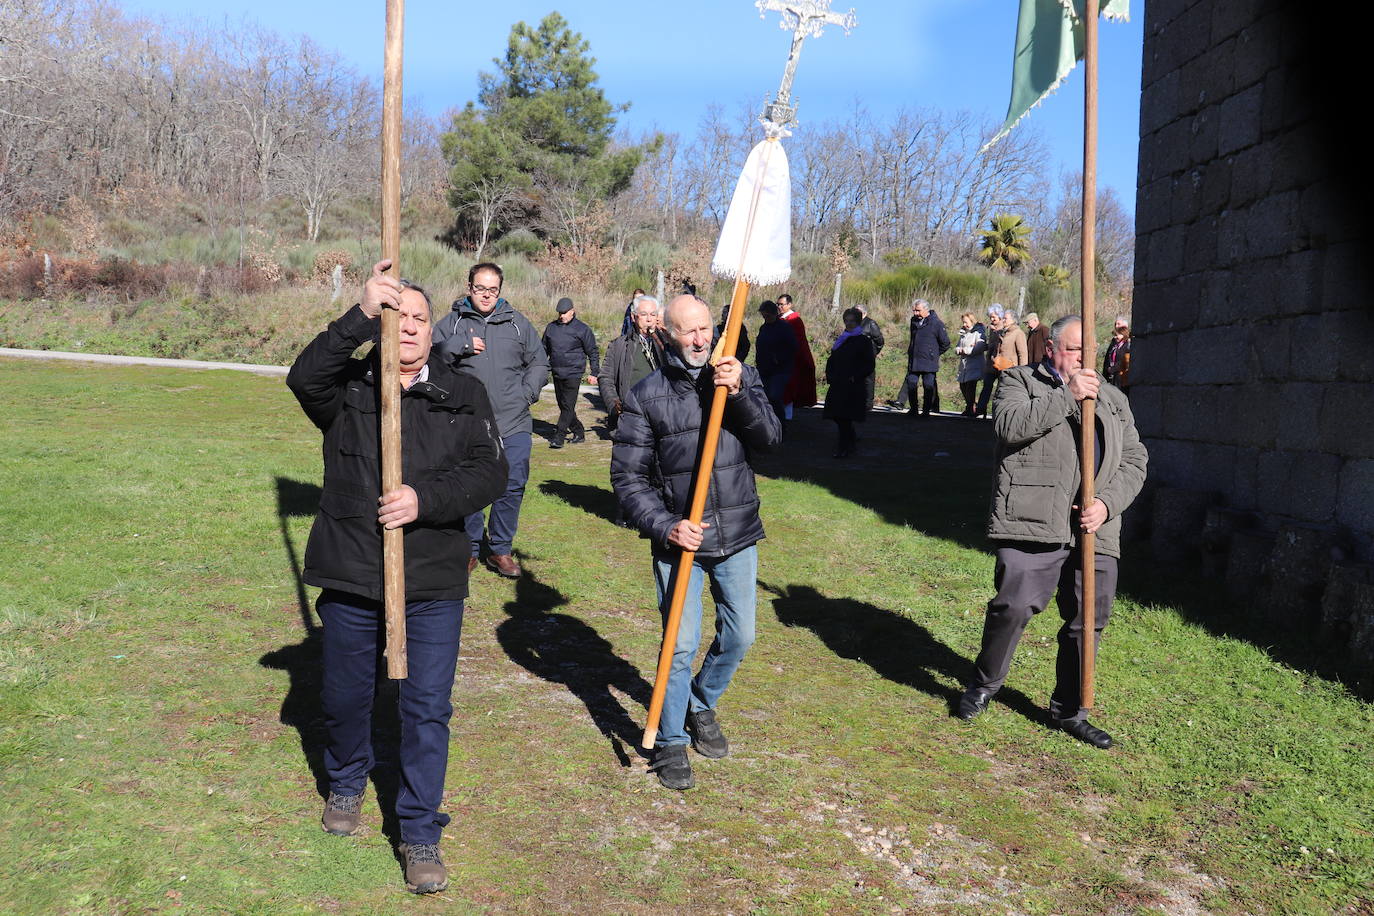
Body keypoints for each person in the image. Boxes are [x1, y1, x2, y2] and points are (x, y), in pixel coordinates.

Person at [286, 261, 507, 895]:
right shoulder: (350, 388)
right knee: (347, 694)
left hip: (432, 579)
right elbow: (303, 378)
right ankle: (349, 780)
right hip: (354, 571)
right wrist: (357, 314)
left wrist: (423, 500)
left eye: (417, 318)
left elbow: (489, 474)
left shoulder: (464, 394)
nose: (407, 326)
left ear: (431, 329)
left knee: (426, 706)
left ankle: (418, 829)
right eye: (395, 316)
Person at [610, 293, 783, 790]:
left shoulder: (738, 377)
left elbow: (771, 443)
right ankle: (669, 742)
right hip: (680, 544)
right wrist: (667, 526)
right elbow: (627, 480)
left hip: (737, 535)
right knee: (679, 647)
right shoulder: (647, 395)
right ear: (664, 334)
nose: (700, 339)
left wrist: (741, 393)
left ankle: (700, 705)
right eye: (688, 330)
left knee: (741, 636)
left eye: (706, 328)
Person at [955, 315, 1148, 750]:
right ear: (1052, 350)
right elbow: (1008, 427)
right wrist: (1066, 396)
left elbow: (1136, 460)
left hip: (1096, 528)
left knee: (1088, 620)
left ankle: (1070, 710)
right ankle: (984, 686)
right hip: (1032, 517)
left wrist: (1105, 504)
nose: (1084, 359)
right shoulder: (1020, 382)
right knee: (1014, 606)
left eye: (1089, 350)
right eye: (1075, 349)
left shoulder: (1114, 399)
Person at [433, 262, 548, 579]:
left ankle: (500, 549)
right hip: (468, 423)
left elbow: (539, 362)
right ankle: (468, 549)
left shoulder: (516, 324)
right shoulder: (452, 324)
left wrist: (527, 394)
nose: (486, 294)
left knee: (512, 486)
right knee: (469, 487)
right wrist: (459, 347)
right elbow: (428, 357)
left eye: (492, 289)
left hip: (514, 422)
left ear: (500, 290)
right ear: (469, 287)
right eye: (480, 288)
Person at [600, 294, 666, 432]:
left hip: (661, 414)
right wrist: (613, 404)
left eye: (653, 315)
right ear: (633, 317)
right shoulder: (618, 345)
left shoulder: (667, 345)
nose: (649, 319)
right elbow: (605, 378)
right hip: (631, 416)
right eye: (643, 314)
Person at [541, 297, 600, 449]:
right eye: (560, 313)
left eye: (564, 313)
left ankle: (559, 437)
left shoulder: (582, 329)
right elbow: (543, 350)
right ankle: (578, 431)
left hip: (574, 373)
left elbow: (593, 351)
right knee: (564, 405)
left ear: (572, 311)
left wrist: (594, 372)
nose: (561, 315)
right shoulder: (551, 328)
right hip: (557, 372)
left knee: (567, 406)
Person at [823, 307, 876, 457]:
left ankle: (844, 448)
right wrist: (830, 375)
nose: (849, 324)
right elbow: (833, 359)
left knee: (844, 417)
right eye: (846, 320)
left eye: (852, 321)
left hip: (852, 385)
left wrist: (855, 377)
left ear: (858, 322)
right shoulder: (843, 338)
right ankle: (850, 442)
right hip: (838, 383)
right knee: (837, 416)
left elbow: (869, 364)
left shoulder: (863, 340)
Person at [902, 298, 950, 417]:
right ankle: (913, 409)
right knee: (911, 383)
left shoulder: (936, 323)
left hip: (929, 361)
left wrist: (933, 353)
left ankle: (926, 411)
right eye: (914, 311)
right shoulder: (913, 321)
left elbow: (945, 343)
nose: (915, 313)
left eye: (918, 310)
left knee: (928, 386)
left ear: (926, 309)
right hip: (914, 360)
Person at [753, 299, 797, 428]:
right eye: (763, 316)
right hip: (764, 368)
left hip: (780, 370)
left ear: (773, 314)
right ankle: (769, 425)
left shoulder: (785, 327)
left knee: (774, 396)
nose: (765, 318)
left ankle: (781, 425)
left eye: (767, 315)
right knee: (764, 398)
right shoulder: (764, 328)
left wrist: (778, 359)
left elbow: (793, 347)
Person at [777, 293, 818, 415]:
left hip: (794, 359)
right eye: (778, 304)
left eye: (782, 304)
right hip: (782, 359)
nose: (779, 307)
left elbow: (798, 341)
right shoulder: (780, 319)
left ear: (789, 305)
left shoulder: (795, 320)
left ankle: (787, 415)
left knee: (790, 386)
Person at [974, 304, 1005, 418]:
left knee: (1000, 388)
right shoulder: (991, 328)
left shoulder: (1003, 327)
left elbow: (1003, 342)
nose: (992, 319)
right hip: (990, 362)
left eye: (994, 317)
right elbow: (991, 344)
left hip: (1001, 362)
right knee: (987, 385)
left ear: (1000, 316)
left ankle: (996, 411)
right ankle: (981, 409)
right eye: (990, 317)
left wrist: (996, 331)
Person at [954, 311, 987, 417]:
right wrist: (958, 349)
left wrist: (966, 350)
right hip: (964, 365)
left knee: (970, 387)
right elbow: (958, 345)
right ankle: (970, 406)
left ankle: (970, 408)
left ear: (972, 321)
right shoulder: (963, 333)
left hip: (975, 364)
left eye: (966, 322)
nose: (964, 324)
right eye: (963, 322)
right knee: (962, 386)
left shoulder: (978, 333)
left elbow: (980, 347)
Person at [855, 303, 885, 411]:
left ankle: (868, 404)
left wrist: (873, 352)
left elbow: (880, 341)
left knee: (868, 380)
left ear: (864, 313)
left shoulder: (871, 323)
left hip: (867, 357)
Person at [1103, 316, 1132, 396]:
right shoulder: (1114, 344)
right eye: (1115, 324)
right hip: (1112, 377)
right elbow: (1108, 358)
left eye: (1118, 324)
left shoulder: (1128, 345)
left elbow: (1125, 360)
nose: (1116, 326)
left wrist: (1113, 368)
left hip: (1122, 378)